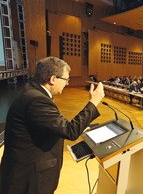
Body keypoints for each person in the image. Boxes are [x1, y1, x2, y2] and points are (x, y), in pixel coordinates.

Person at [0, 57, 105, 194]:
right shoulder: (37, 100)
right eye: (66, 80)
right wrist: (94, 102)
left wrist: (76, 125)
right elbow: (70, 131)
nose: (67, 84)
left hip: (23, 172)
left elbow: (51, 123)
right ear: (53, 79)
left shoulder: (32, 91)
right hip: (29, 178)